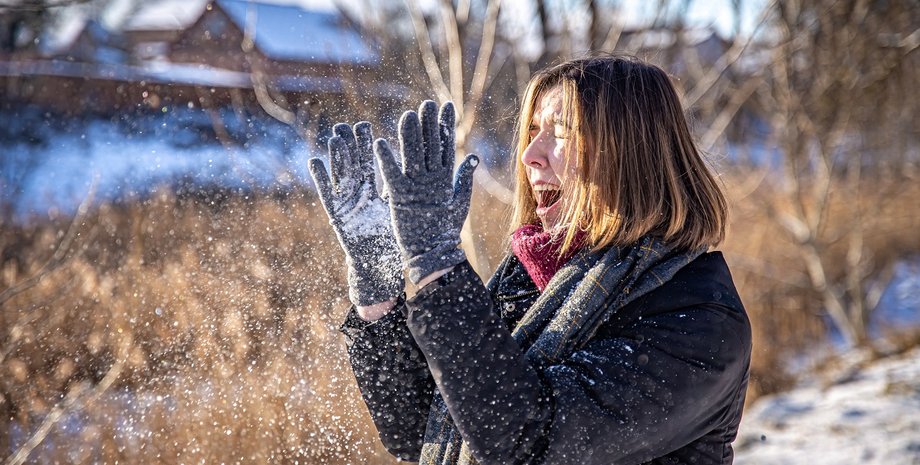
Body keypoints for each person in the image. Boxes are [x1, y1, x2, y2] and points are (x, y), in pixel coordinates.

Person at [308, 54, 751, 465]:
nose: (529, 155)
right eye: (533, 131)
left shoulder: (699, 319)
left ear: (629, 153)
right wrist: (379, 293)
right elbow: (423, 427)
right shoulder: (531, 278)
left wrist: (438, 267)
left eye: (560, 132)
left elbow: (529, 441)